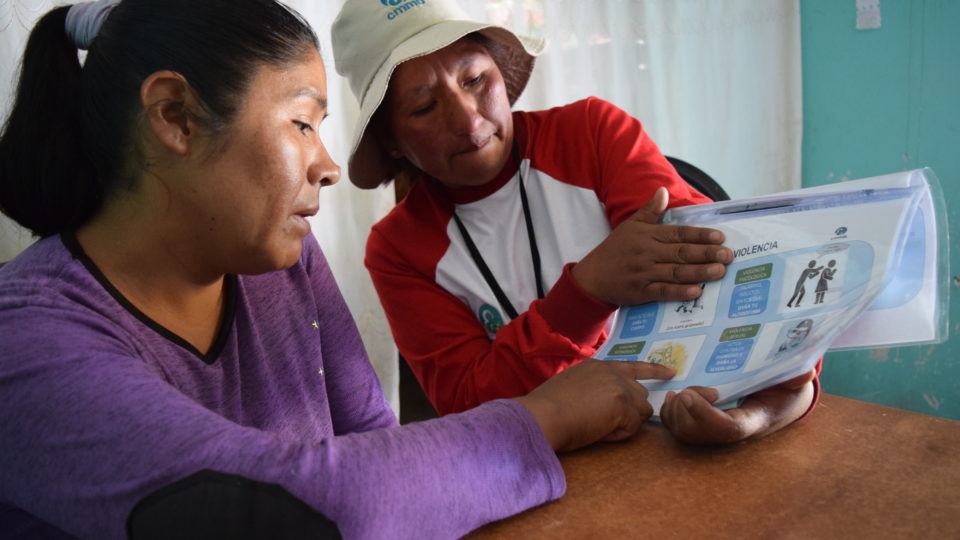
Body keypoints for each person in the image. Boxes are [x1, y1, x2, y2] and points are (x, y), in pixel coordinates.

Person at [0, 1, 678, 537]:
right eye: (300, 124)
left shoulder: (276, 263)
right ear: (175, 116)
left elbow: (374, 446)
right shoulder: (25, 343)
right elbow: (309, 508)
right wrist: (547, 417)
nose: (326, 167)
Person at [331, 0, 821, 443]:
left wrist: (752, 416)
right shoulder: (399, 250)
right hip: (547, 463)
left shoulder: (591, 134)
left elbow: (727, 265)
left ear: (500, 72)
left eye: (475, 79)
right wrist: (586, 292)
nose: (468, 120)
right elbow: (468, 404)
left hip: (678, 425)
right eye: (423, 107)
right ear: (392, 141)